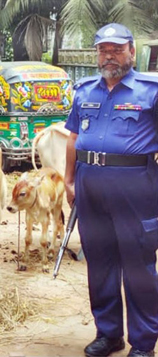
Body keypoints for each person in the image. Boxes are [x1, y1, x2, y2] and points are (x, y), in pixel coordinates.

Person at [64, 23, 158, 357]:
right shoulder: (85, 90)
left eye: (117, 49)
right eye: (104, 49)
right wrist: (69, 180)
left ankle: (144, 343)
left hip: (136, 190)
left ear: (131, 51)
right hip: (90, 189)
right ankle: (109, 334)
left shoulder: (151, 90)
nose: (110, 55)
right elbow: (73, 139)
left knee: (138, 266)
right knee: (100, 265)